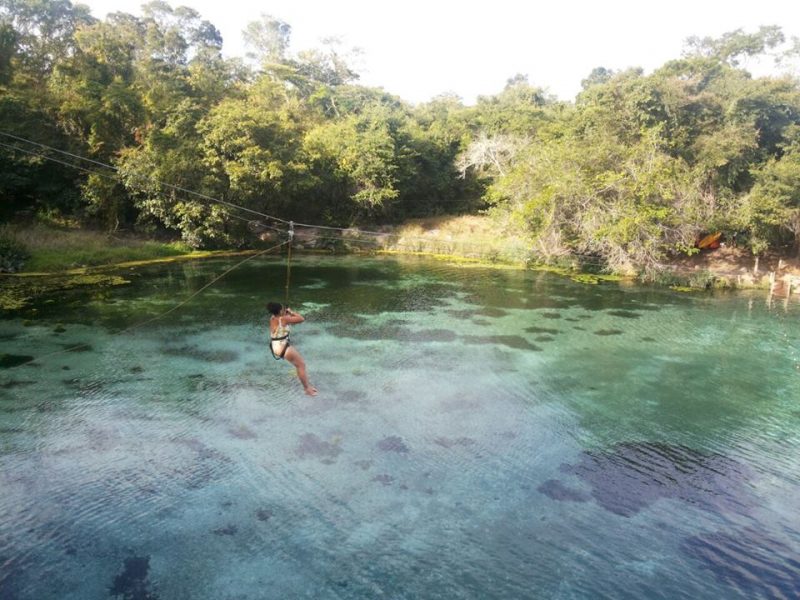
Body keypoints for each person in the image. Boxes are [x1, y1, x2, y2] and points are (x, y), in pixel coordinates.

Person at [267, 302, 317, 396]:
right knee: (301, 365)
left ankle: (307, 387)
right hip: (282, 346)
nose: (284, 310)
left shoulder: (272, 318)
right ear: (280, 311)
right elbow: (301, 319)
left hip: (275, 346)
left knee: (299, 365)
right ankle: (307, 389)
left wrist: (285, 314)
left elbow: (281, 323)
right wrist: (291, 312)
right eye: (282, 308)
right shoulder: (284, 319)